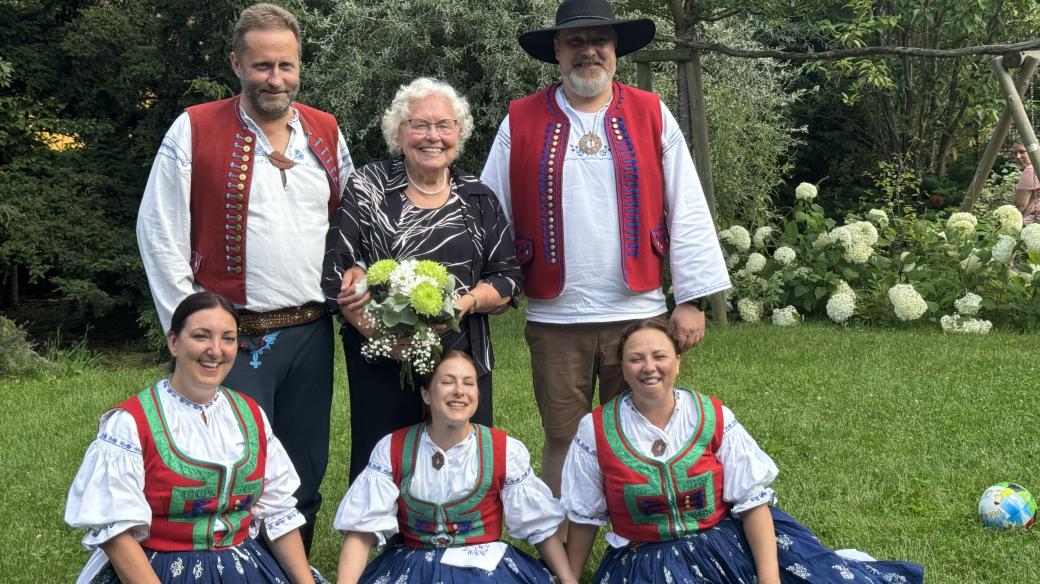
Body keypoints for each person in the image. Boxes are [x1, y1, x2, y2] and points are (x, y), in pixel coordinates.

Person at [480, 0, 731, 512]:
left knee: (639, 435)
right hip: (556, 315)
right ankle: (559, 553)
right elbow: (491, 211)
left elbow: (686, 202)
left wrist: (692, 298)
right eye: (575, 41)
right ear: (557, 51)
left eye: (600, 40)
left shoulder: (649, 112)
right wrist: (492, 285)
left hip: (638, 312)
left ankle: (636, 543)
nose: (588, 51)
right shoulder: (520, 119)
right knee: (562, 439)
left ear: (616, 49)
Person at [136, 3, 353, 550]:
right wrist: (193, 330)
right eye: (261, 66)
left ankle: (291, 566)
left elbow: (350, 220)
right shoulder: (194, 127)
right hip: (233, 335)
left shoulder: (324, 130)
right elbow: (158, 231)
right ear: (236, 63)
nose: (274, 78)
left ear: (300, 66)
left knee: (304, 465)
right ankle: (229, 566)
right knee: (226, 465)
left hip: (310, 330)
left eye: (285, 65)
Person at [560, 320, 926, 584]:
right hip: (644, 561)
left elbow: (752, 503)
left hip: (724, 543)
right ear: (622, 368)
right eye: (636, 358)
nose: (648, 367)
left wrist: (769, 580)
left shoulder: (713, 416)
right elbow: (583, 517)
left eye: (659, 356)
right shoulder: (595, 430)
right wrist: (570, 580)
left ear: (677, 362)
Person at [323, 77, 522, 482]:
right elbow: (335, 270)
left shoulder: (477, 196)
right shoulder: (369, 188)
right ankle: (384, 542)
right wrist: (379, 334)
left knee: (464, 466)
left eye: (444, 125)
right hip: (381, 359)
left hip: (463, 358)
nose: (433, 136)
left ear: (459, 134)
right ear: (398, 133)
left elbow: (507, 277)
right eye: (419, 125)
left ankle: (463, 539)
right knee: (383, 466)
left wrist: (462, 304)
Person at [65, 292, 324, 584]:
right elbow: (116, 534)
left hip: (244, 565)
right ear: (174, 343)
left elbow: (277, 514)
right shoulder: (129, 423)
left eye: (227, 338)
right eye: (201, 336)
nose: (215, 350)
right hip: (155, 571)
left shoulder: (250, 415)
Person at [332, 351, 578, 584]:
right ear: (426, 394)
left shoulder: (504, 450)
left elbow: (538, 525)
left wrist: (567, 579)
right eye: (448, 382)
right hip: (415, 565)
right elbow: (361, 532)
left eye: (469, 383)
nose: (459, 391)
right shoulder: (392, 448)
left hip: (484, 568)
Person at [1012, 140, 1040, 224]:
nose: (1018, 156)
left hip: (1030, 224)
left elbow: (1020, 206)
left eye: (1022, 152)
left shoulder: (1030, 170)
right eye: (1015, 153)